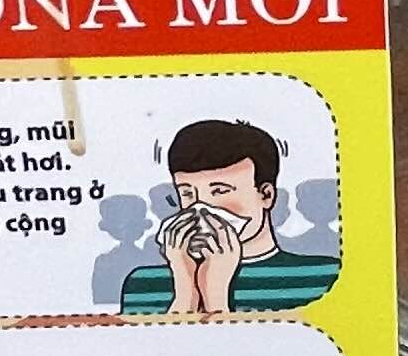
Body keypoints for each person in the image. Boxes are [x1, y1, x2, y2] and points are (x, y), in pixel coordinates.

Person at [118, 119, 341, 314]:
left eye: (220, 191)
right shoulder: (143, 285)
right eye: (187, 193)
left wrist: (216, 297)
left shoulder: (323, 278)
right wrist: (185, 292)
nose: (201, 208)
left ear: (266, 195)